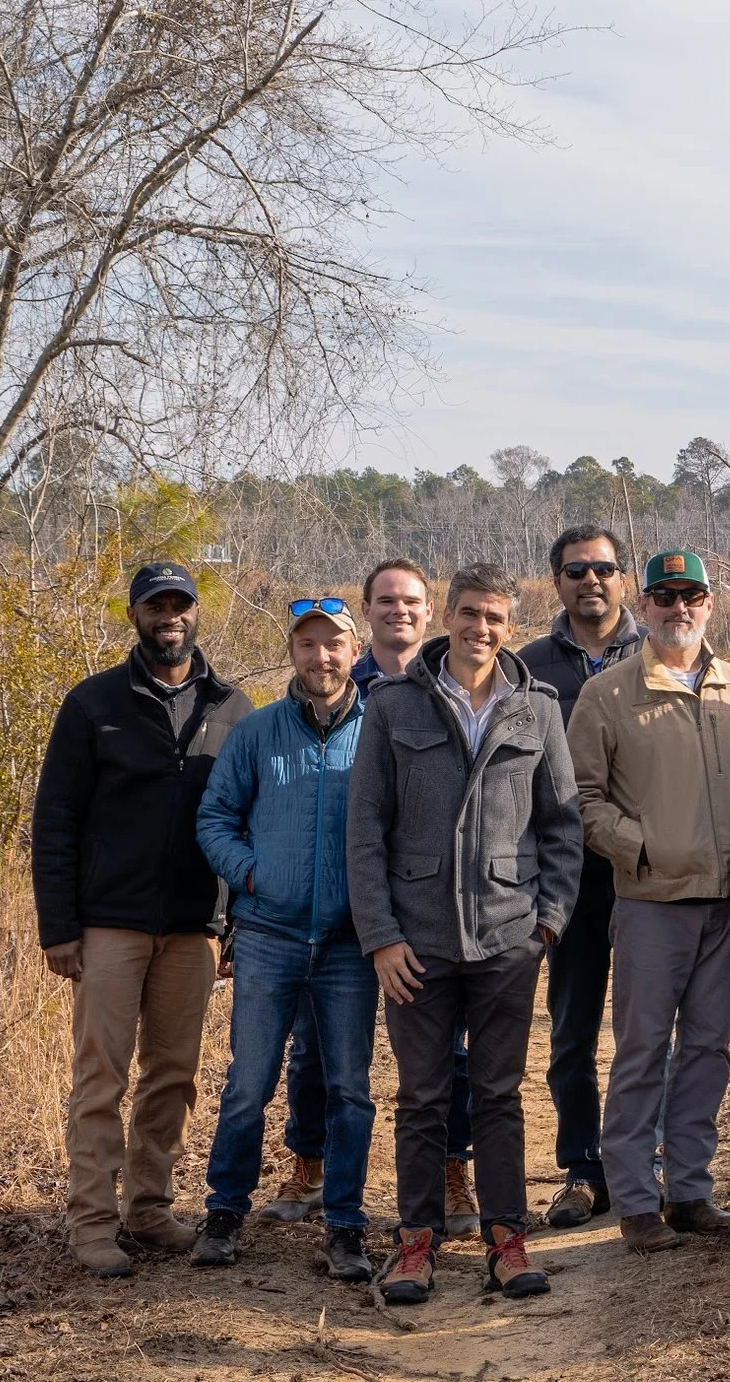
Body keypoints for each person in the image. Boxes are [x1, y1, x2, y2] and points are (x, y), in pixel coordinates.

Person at [348, 563, 584, 1304]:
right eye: (470, 613)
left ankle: (504, 1238)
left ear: (510, 627)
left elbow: (563, 824)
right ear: (446, 617)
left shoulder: (535, 708)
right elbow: (364, 832)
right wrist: (382, 936)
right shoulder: (392, 705)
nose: (481, 628)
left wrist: (547, 922)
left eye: (495, 617)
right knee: (420, 1095)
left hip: (507, 939)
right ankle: (416, 1242)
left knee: (498, 1093)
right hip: (415, 943)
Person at [32, 561, 254, 1278]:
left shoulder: (234, 708)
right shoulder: (94, 702)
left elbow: (248, 822)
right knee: (101, 1074)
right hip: (109, 924)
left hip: (193, 926)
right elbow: (56, 821)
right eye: (156, 605)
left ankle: (149, 1207)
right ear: (135, 614)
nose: (170, 617)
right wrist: (58, 926)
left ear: (196, 613)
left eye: (180, 605)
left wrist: (232, 924)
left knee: (175, 1074)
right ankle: (92, 1222)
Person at [569, 549, 730, 1253]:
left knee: (706, 1049)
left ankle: (690, 1188)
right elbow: (580, 797)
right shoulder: (608, 694)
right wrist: (641, 848)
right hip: (652, 902)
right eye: (664, 596)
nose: (678, 607)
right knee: (639, 1050)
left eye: (691, 594)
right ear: (645, 602)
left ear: (711, 603)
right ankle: (634, 1197)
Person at [263, 558, 484, 1238]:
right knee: (318, 1047)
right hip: (338, 899)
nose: (399, 609)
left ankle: (452, 1172)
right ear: (367, 614)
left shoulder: (456, 685)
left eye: (411, 600)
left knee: (446, 1050)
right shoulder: (334, 682)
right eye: (385, 600)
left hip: (426, 901)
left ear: (431, 610)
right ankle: (311, 1163)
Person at [191, 599, 377, 1282]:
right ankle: (223, 1212)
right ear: (293, 651)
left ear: (354, 651)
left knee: (350, 1089)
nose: (320, 656)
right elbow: (215, 817)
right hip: (269, 934)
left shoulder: (378, 731)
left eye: (333, 644)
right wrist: (252, 873)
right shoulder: (259, 731)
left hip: (351, 943)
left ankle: (347, 1225)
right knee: (249, 1081)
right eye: (308, 644)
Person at [517, 527, 647, 1229]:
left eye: (603, 568)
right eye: (575, 570)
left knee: (646, 1023)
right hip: (567, 876)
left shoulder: (657, 652)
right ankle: (583, 1166)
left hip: (646, 871)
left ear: (623, 578)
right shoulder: (529, 665)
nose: (590, 580)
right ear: (556, 581)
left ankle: (642, 1161)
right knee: (572, 1026)